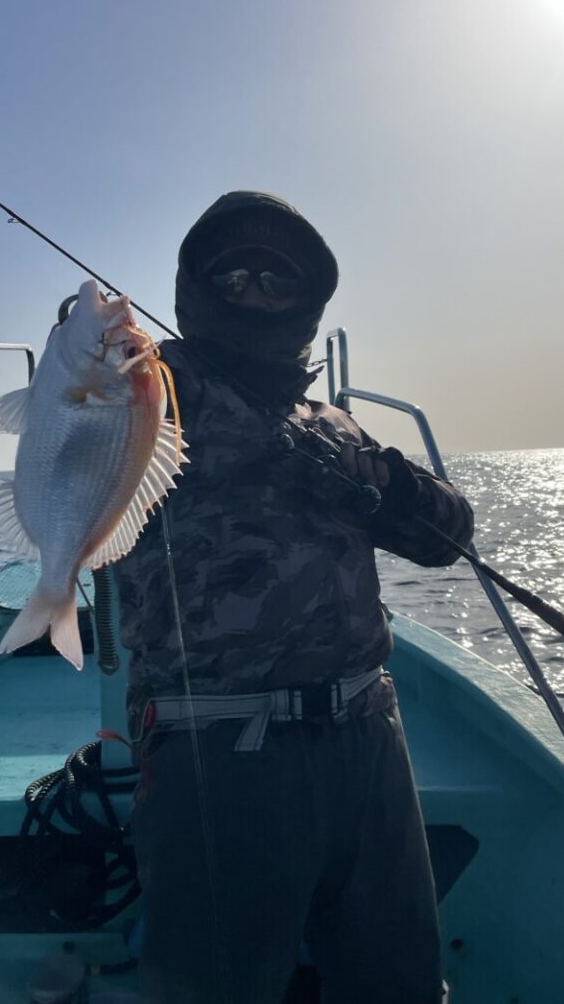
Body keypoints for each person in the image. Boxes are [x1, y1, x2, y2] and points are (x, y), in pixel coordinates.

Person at [114, 191, 474, 1004]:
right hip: (218, 751)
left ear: (306, 303)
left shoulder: (333, 424)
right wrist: (98, 351)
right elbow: (82, 426)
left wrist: (396, 488)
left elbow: (449, 538)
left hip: (368, 740)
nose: (253, 293)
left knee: (403, 989)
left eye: (276, 280)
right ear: (195, 287)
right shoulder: (156, 392)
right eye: (232, 276)